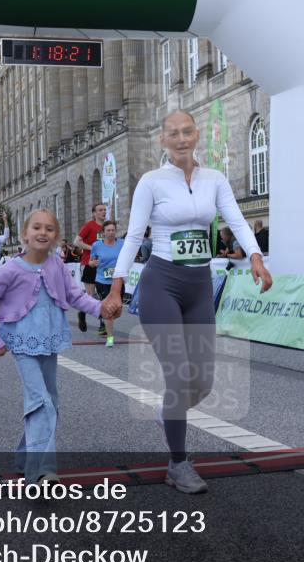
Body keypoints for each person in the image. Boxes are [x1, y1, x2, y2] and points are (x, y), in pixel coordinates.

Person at [99, 110, 272, 495]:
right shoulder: (151, 182)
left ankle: (168, 415)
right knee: (178, 376)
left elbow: (239, 220)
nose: (181, 139)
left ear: (196, 136)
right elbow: (132, 237)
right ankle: (178, 463)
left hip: (199, 286)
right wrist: (116, 288)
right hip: (162, 283)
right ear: (163, 140)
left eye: (187, 132)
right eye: (173, 133)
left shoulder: (214, 179)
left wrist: (256, 256)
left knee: (203, 383)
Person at [0, 209, 105, 485]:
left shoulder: (57, 265)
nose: (42, 232)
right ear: (25, 234)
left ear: (56, 236)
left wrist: (101, 309)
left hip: (49, 342)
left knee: (52, 403)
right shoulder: (11, 268)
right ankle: (41, 472)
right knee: (40, 402)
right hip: (22, 343)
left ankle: (25, 457)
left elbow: (74, 296)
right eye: (36, 227)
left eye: (49, 228)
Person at [89, 220, 124, 347]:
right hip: (102, 280)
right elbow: (90, 262)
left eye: (113, 230)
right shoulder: (97, 245)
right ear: (103, 232)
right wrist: (93, 263)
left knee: (118, 310)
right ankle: (110, 338)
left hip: (118, 280)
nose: (111, 232)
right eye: (108, 230)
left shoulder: (122, 243)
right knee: (109, 309)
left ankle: (102, 315)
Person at [73, 203, 107, 333]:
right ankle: (82, 313)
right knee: (91, 296)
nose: (103, 212)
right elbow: (77, 241)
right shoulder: (89, 226)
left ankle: (103, 324)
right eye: (100, 210)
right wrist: (93, 248)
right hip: (89, 263)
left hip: (104, 265)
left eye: (104, 210)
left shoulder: (107, 227)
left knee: (104, 295)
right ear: (94, 213)